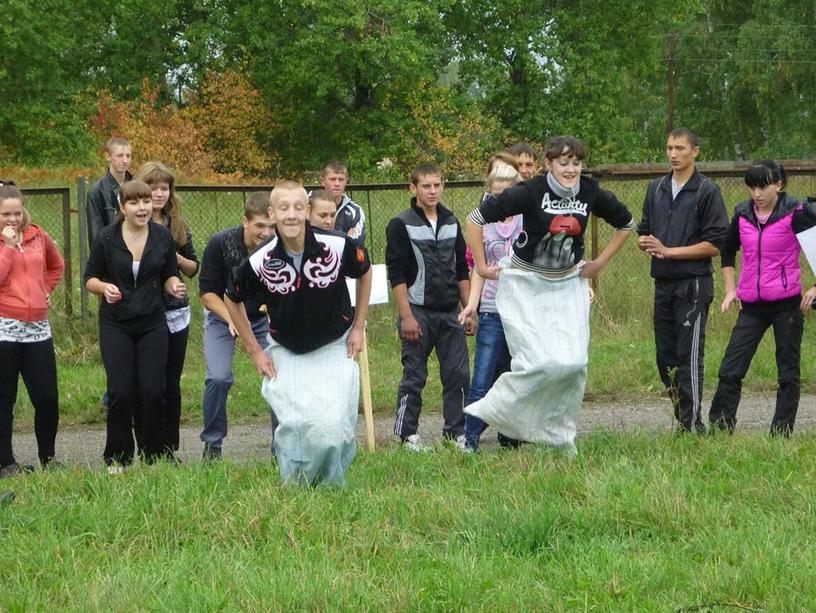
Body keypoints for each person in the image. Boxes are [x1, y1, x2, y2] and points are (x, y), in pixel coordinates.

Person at [465, 136, 636, 456]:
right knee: (539, 362)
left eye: (576, 162)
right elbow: (475, 220)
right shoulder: (531, 191)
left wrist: (598, 263)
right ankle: (496, 411)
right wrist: (485, 268)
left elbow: (627, 223)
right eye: (563, 163)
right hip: (526, 283)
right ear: (548, 165)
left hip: (567, 284)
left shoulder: (589, 192)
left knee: (573, 363)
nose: (571, 169)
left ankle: (555, 431)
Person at [225, 180, 371, 486]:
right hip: (286, 349)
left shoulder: (339, 245)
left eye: (297, 207)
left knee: (332, 428)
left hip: (334, 344)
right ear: (272, 213)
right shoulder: (259, 261)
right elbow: (232, 299)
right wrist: (255, 350)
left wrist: (358, 326)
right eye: (283, 208)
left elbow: (365, 271)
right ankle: (294, 488)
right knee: (295, 426)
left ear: (306, 211)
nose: (290, 215)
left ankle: (332, 487)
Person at [84, 180, 187, 472]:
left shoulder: (162, 236)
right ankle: (118, 458)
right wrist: (104, 288)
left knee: (154, 390)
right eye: (134, 203)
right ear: (122, 207)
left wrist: (175, 285)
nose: (142, 208)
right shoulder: (107, 237)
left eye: (145, 202)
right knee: (120, 391)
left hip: (152, 322)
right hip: (116, 323)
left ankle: (154, 455)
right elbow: (89, 278)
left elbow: (169, 274)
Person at [708, 161, 816, 436]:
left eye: (763, 186)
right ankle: (720, 429)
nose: (756, 193)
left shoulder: (797, 213)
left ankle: (781, 434)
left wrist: (815, 287)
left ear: (779, 184)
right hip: (752, 307)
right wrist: (731, 289)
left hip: (787, 305)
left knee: (787, 374)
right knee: (731, 368)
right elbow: (728, 249)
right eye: (752, 187)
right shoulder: (743, 214)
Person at [637, 128, 729, 433]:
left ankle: (691, 428)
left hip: (693, 283)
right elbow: (645, 228)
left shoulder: (706, 190)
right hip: (662, 283)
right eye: (669, 148)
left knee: (688, 357)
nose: (673, 154)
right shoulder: (656, 188)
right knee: (665, 359)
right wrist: (646, 242)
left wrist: (670, 251)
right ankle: (685, 419)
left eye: (679, 148)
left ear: (695, 151)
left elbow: (717, 244)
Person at [386, 164, 472, 451]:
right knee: (415, 376)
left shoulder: (451, 221)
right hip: (417, 311)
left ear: (443, 186)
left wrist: (468, 309)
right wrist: (407, 316)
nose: (432, 191)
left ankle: (456, 432)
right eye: (426, 185)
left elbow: (462, 268)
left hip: (450, 311)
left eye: (437, 185)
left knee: (458, 374)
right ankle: (406, 435)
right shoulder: (401, 224)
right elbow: (396, 274)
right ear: (413, 188)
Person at [198, 192, 275, 460]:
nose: (266, 233)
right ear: (245, 220)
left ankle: (282, 443)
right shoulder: (221, 243)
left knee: (279, 377)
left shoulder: (279, 246)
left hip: (262, 319)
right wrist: (231, 318)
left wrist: (274, 305)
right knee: (218, 378)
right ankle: (213, 444)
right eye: (259, 226)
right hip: (223, 317)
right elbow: (207, 294)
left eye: (271, 227)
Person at [134, 162, 199, 453]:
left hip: (175, 312)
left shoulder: (178, 224)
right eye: (153, 187)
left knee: (171, 383)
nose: (159, 193)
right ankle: (150, 444)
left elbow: (193, 267)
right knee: (150, 384)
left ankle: (170, 447)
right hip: (144, 313)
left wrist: (170, 254)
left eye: (164, 187)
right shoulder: (130, 225)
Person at [0, 181, 64, 477]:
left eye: (16, 213)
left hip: (38, 328)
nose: (12, 220)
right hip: (5, 328)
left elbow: (56, 266)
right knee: (5, 398)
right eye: (5, 214)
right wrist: (10, 248)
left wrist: (45, 288)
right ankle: (6, 462)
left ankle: (47, 458)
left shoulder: (39, 235)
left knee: (47, 397)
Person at [458, 162, 523, 452]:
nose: (501, 201)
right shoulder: (482, 223)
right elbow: (478, 270)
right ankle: (469, 439)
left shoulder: (527, 219)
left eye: (506, 194)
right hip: (492, 309)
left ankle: (510, 436)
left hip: (522, 309)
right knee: (482, 376)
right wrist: (471, 305)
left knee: (513, 374)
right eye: (496, 194)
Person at [87, 137, 133, 247]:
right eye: (120, 155)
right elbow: (95, 233)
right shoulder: (97, 191)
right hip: (111, 253)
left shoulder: (138, 186)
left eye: (128, 155)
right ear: (108, 156)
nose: (125, 160)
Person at [320, 160, 366, 243]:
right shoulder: (309, 206)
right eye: (333, 179)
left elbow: (357, 241)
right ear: (322, 181)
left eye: (341, 179)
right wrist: (345, 236)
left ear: (346, 181)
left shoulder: (355, 211)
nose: (337, 183)